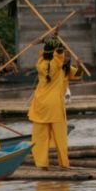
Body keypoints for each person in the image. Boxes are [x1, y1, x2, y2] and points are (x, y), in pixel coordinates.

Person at [29, 35, 75, 169]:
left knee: (39, 138)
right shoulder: (57, 63)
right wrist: (44, 40)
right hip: (54, 106)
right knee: (60, 138)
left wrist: (50, 37)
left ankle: (41, 164)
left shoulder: (40, 64)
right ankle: (64, 164)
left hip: (40, 106)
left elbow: (53, 49)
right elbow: (59, 47)